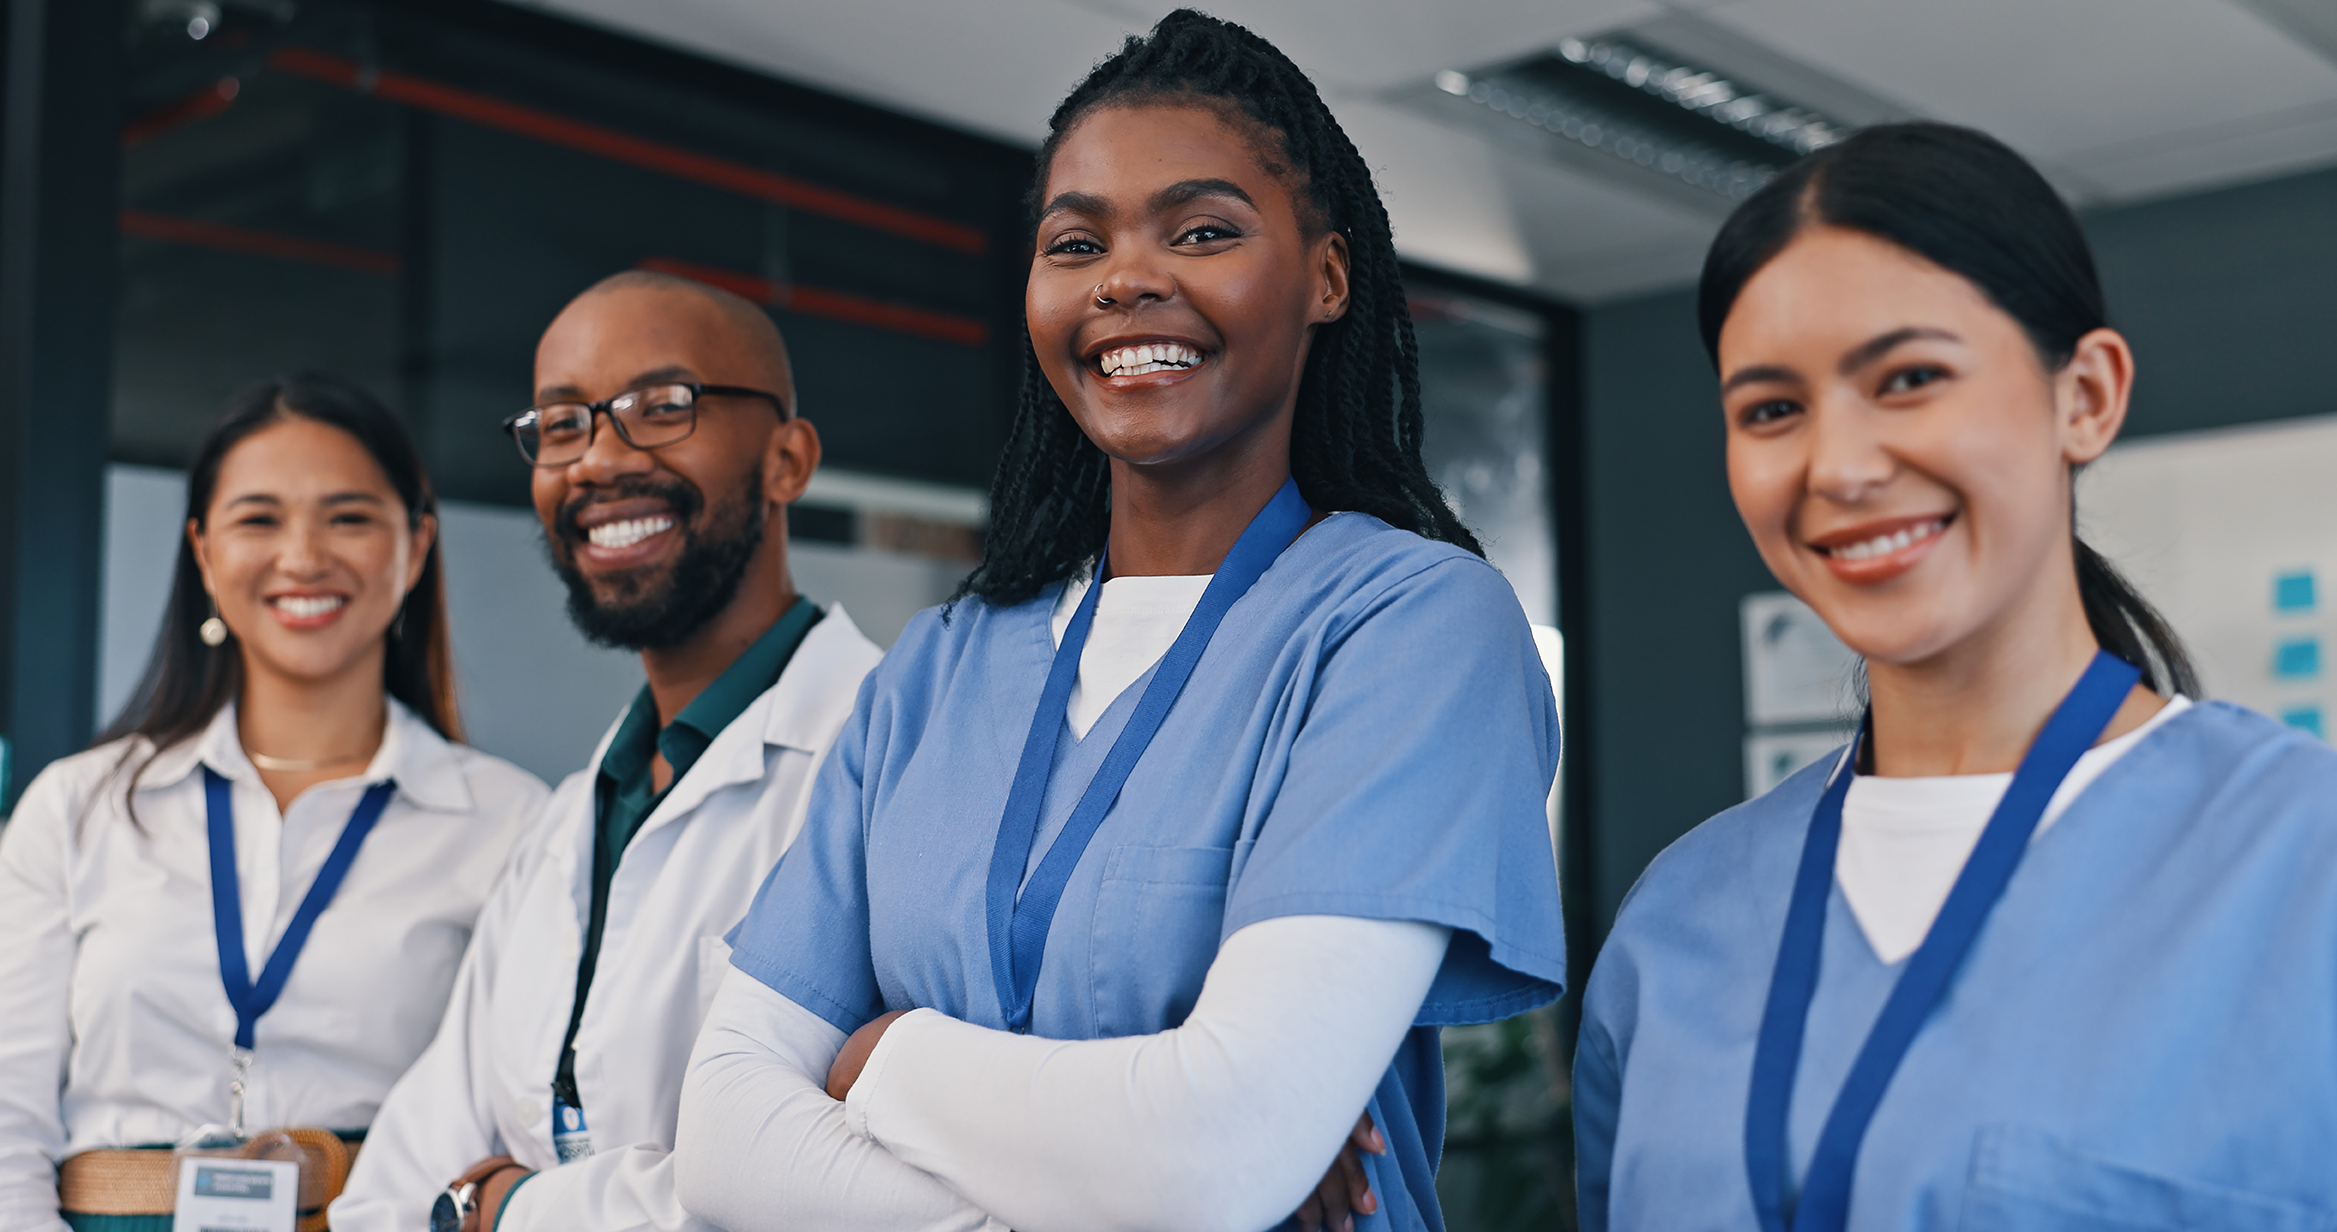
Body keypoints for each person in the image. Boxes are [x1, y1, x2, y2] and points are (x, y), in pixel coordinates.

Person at [672, 13, 1565, 1232]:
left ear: (1327, 275)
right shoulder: (941, 666)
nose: (1125, 278)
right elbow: (723, 1136)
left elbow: (1216, 1149)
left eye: (1203, 230)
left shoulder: (1408, 627)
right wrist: (1119, 1173)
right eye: (1076, 240)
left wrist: (878, 1060)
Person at [1574, 122, 2337, 1230]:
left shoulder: (2303, 862)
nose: (1838, 466)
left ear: (2086, 396)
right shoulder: (1677, 921)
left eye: (1911, 377)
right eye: (1772, 409)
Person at [329, 270, 882, 1232]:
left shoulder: (886, 759)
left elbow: (855, 1180)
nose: (595, 460)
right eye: (561, 424)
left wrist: (507, 1211)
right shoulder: (570, 819)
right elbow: (389, 1194)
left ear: (787, 459)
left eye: (661, 407)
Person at [0, 376, 547, 1232]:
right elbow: (5, 1120)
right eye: (259, 518)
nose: (302, 556)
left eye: (350, 517)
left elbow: (518, 1114)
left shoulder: (511, 821)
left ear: (416, 545)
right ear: (205, 552)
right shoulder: (79, 806)